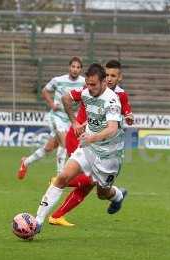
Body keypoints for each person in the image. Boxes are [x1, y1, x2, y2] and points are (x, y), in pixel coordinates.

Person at [33, 63, 127, 234]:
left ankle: (118, 196)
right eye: (88, 84)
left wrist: (92, 137)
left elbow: (112, 128)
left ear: (104, 82)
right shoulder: (86, 92)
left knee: (102, 193)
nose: (89, 88)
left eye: (93, 85)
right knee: (62, 177)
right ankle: (37, 221)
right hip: (87, 149)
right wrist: (74, 121)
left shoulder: (112, 100)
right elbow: (65, 98)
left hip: (108, 155)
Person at [17, 57, 85, 179]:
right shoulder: (58, 80)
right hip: (56, 117)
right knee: (65, 144)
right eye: (73, 66)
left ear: (81, 69)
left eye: (78, 67)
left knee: (49, 147)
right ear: (69, 67)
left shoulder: (84, 83)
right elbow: (45, 91)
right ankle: (59, 178)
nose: (75, 69)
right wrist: (52, 104)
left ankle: (25, 162)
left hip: (70, 119)